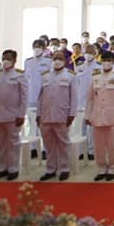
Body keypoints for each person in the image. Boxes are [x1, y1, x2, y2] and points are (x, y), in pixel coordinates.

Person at [37, 51, 79, 181]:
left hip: (62, 115)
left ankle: (64, 168)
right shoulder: (45, 76)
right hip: (45, 115)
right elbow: (40, 97)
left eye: (60, 59)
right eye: (55, 58)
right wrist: (38, 114)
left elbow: (74, 98)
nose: (57, 61)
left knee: (63, 144)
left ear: (65, 61)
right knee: (48, 145)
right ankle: (50, 169)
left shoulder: (70, 76)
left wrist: (71, 114)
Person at [86, 49, 114, 182]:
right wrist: (88, 115)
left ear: (113, 62)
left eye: (108, 60)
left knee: (113, 144)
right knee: (99, 145)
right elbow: (90, 98)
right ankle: (101, 168)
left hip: (113, 116)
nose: (106, 63)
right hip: (97, 116)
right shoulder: (95, 76)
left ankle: (113, 168)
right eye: (104, 60)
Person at [0, 49, 27, 181]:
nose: (5, 61)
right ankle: (2, 168)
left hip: (13, 116)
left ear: (14, 60)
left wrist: (21, 115)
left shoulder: (20, 75)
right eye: (4, 58)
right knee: (1, 144)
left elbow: (24, 97)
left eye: (9, 58)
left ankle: (13, 168)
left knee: (13, 143)